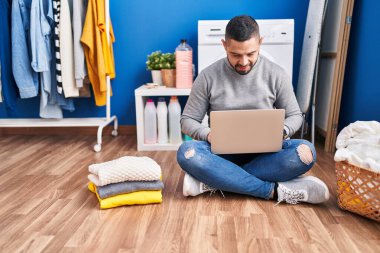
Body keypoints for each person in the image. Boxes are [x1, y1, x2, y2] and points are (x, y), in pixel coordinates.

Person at [176, 15, 330, 205]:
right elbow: (187, 120)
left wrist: (282, 131)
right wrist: (208, 135)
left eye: (251, 53)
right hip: (221, 154)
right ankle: (273, 191)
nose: (244, 61)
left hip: (265, 154)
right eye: (235, 54)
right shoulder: (207, 77)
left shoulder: (276, 74)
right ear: (224, 45)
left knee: (306, 153)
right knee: (186, 152)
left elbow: (295, 115)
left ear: (261, 43)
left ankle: (215, 180)